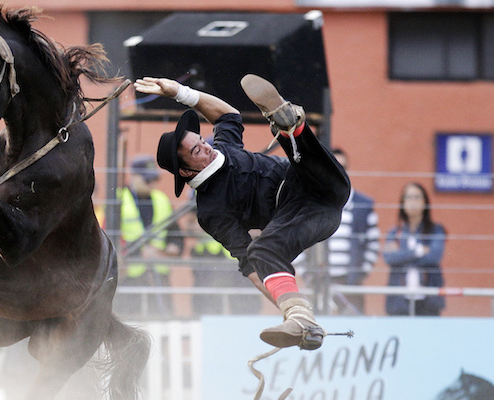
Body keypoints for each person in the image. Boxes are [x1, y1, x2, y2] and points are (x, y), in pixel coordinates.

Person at [137, 73, 349, 350]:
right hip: (308, 217)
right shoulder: (211, 210)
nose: (207, 148)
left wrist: (180, 92)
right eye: (197, 151)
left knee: (300, 157)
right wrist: (284, 306)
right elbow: (248, 264)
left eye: (202, 141)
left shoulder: (225, 146)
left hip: (321, 183)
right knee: (260, 252)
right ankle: (300, 317)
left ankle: (289, 124)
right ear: (186, 171)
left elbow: (227, 115)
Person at [298, 148, 380, 315]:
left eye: (342, 166)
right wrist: (307, 274)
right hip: (317, 283)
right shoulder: (311, 203)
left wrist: (359, 274)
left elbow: (373, 243)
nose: (339, 171)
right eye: (334, 166)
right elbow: (295, 240)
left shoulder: (363, 205)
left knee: (353, 329)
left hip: (350, 284)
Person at [115, 155, 178, 317]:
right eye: (147, 180)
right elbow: (110, 237)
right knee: (129, 318)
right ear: (134, 177)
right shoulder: (118, 201)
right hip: (129, 276)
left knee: (163, 318)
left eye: (154, 180)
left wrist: (174, 246)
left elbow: (176, 233)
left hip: (159, 275)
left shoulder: (162, 200)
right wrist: (137, 253)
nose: (152, 184)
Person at [383, 182, 446, 316]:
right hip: (400, 301)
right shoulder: (395, 233)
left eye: (417, 197)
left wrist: (401, 255)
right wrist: (418, 251)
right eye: (409, 197)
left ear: (425, 202)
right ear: (403, 202)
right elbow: (389, 258)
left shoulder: (435, 230)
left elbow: (434, 257)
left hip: (428, 301)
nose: (413, 202)